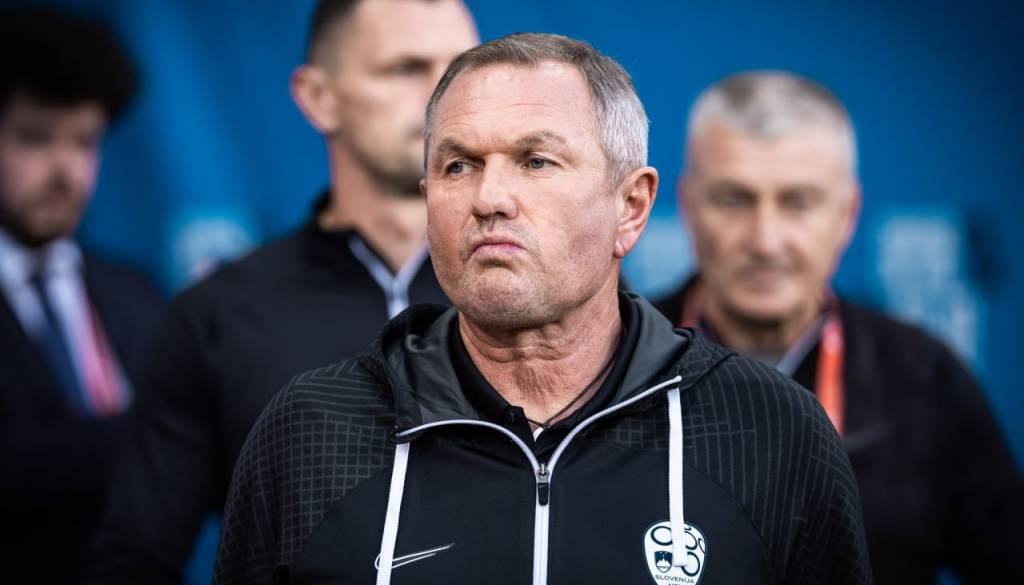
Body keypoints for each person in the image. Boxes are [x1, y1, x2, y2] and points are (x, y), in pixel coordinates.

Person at [214, 33, 873, 585]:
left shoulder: (766, 427)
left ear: (631, 207)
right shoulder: (312, 430)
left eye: (535, 161)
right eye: (458, 166)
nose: (489, 198)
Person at [88, 1, 478, 582]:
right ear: (318, 97)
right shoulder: (218, 316)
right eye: (405, 68)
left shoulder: (534, 297)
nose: (444, 99)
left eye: (460, 70)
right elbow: (134, 560)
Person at [654, 71, 1024, 584]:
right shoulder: (612, 361)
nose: (766, 240)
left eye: (797, 202)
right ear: (688, 205)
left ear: (848, 213)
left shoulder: (925, 378)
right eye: (734, 200)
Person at [0, 7, 165, 584]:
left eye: (85, 141)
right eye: (35, 138)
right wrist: (159, 433)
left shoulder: (135, 291)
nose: (65, 168)